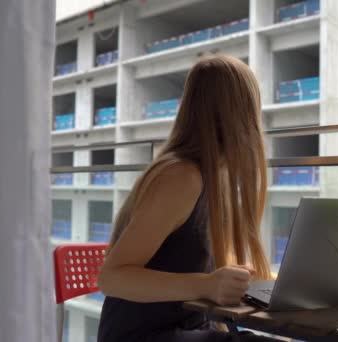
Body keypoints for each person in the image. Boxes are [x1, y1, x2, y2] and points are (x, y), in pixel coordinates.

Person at [97, 56, 280, 342]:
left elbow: (188, 259)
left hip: (186, 329)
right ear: (242, 114)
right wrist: (206, 284)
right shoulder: (181, 176)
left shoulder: (210, 177)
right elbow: (111, 278)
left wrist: (233, 278)